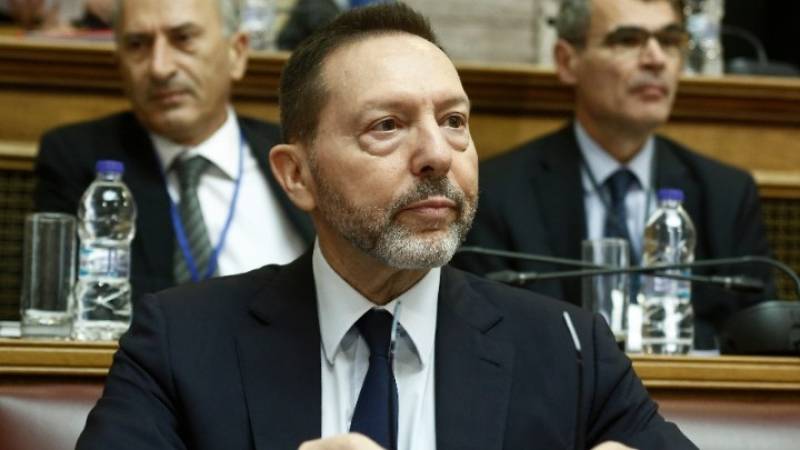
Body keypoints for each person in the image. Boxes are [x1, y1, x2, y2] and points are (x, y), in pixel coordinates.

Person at [76, 4, 696, 450]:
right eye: (387, 126)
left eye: (454, 121)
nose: (437, 155)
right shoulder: (181, 342)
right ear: (297, 175)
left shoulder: (569, 348)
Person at [453, 0, 774, 351]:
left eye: (669, 41)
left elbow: (758, 337)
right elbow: (486, 334)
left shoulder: (727, 195)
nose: (656, 59)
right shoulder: (498, 192)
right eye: (628, 40)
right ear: (567, 61)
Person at [34, 0, 314, 302]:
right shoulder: (78, 159)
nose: (160, 67)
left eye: (183, 39)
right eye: (137, 44)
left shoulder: (299, 154)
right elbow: (62, 302)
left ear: (236, 53)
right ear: (119, 62)